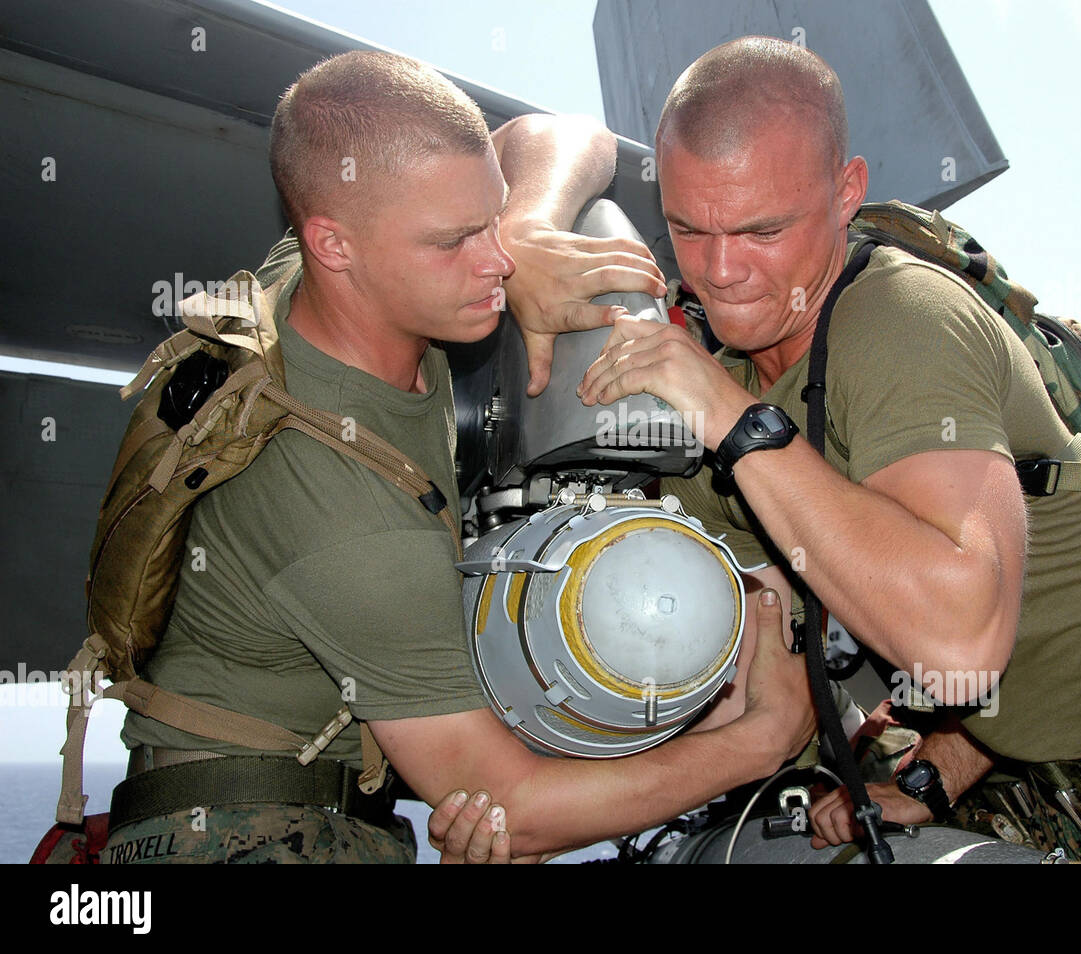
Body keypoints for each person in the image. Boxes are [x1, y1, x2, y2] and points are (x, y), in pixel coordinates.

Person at [446, 36, 1081, 864]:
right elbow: (555, 134)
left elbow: (961, 648)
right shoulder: (731, 362)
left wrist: (733, 419)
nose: (721, 269)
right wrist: (521, 229)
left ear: (847, 191)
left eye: (761, 230)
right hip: (1041, 769)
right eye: (688, 230)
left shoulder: (896, 322)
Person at [101, 50, 814, 865]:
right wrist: (762, 740)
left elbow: (558, 132)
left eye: (490, 220)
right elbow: (509, 806)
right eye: (453, 243)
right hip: (245, 834)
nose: (496, 265)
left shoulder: (319, 281)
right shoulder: (333, 504)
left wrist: (531, 225)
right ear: (333, 244)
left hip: (326, 805)